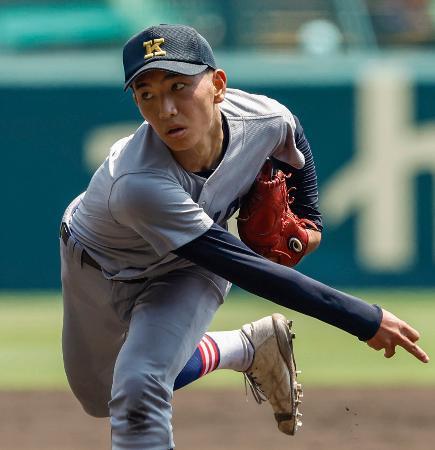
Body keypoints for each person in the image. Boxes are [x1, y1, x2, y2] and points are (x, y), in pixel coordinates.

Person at [59, 24, 429, 450]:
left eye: (179, 86)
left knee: (140, 385)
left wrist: (311, 222)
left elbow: (293, 136)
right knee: (99, 398)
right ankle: (244, 347)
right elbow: (249, 270)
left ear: (217, 85)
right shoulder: (138, 182)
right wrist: (362, 318)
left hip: (189, 267)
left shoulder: (263, 119)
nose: (165, 109)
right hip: (97, 264)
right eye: (147, 94)